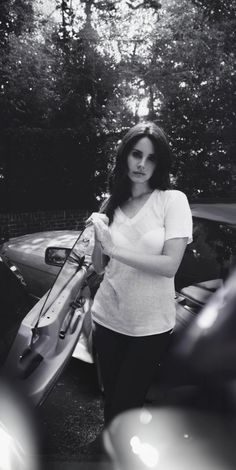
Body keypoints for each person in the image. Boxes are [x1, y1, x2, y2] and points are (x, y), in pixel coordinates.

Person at [88, 122, 193, 426]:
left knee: (127, 405)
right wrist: (100, 236)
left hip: (149, 327)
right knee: (110, 400)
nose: (142, 164)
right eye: (136, 154)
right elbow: (99, 266)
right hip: (107, 318)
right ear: (125, 156)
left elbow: (170, 265)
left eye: (151, 158)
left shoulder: (171, 201)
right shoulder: (110, 204)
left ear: (160, 163)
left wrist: (115, 248)